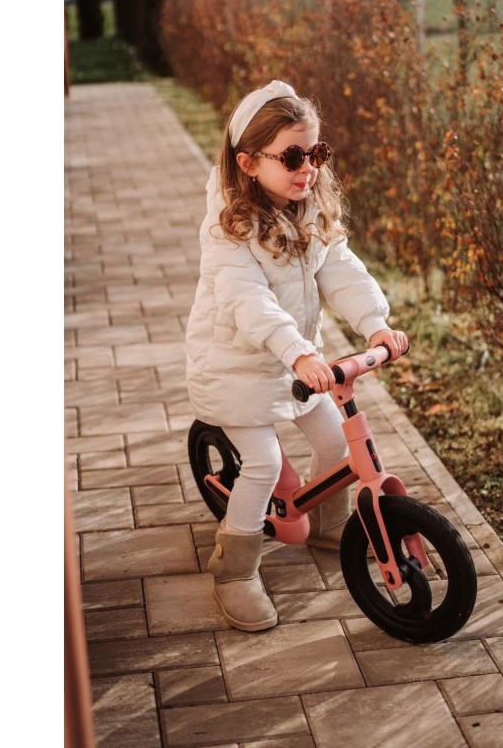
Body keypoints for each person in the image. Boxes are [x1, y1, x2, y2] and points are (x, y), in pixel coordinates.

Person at [185, 80, 408, 632]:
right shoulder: (228, 232)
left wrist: (375, 324)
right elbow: (250, 302)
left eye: (316, 152)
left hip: (296, 366)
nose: (307, 167)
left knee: (336, 442)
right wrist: (299, 353)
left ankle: (329, 525)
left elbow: (343, 272)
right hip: (237, 370)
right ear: (248, 163)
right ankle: (234, 570)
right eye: (291, 156)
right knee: (261, 463)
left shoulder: (309, 212)